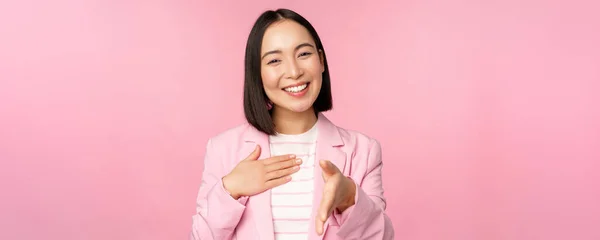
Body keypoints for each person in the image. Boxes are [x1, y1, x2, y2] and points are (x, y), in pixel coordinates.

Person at [190, 8, 394, 240]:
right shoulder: (223, 149)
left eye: (304, 54)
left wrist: (349, 199)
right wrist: (230, 189)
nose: (294, 71)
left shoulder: (363, 151)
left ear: (322, 61)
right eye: (275, 60)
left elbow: (383, 237)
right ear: (257, 73)